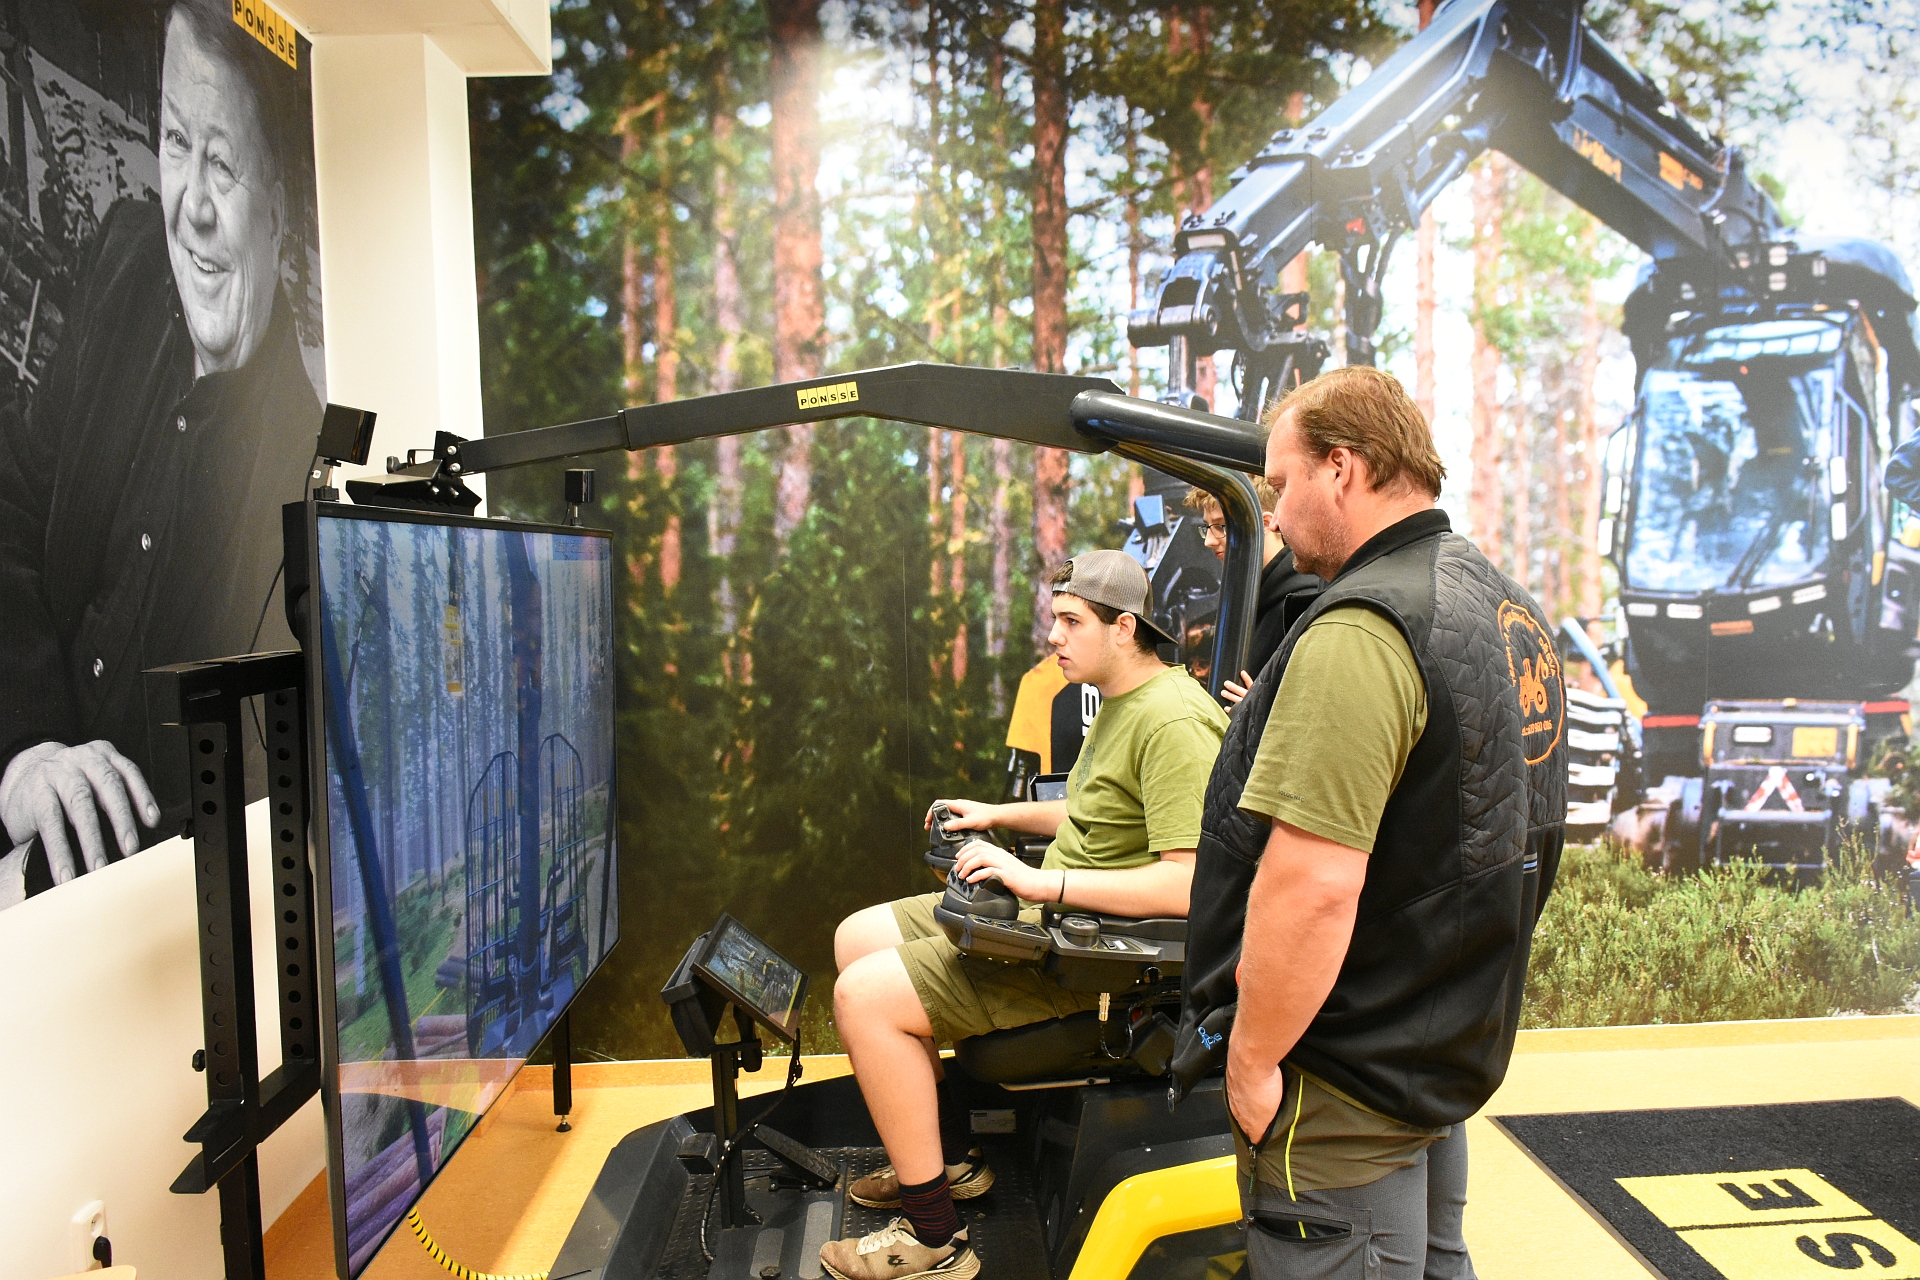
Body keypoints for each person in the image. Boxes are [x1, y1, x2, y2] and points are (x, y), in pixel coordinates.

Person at [1172, 366, 1566, 1279]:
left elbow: (1311, 885)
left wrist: (1251, 1061)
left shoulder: (1362, 629)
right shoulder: (1504, 604)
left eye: (1281, 485)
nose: (1273, 515)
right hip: (1432, 1050)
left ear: (1341, 469)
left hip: (1341, 1084)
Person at [820, 550, 1229, 1280]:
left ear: (1124, 627)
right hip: (1061, 917)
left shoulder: (1174, 722)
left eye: (1071, 621)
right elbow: (1095, 811)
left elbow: (1189, 886)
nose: (1054, 637)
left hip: (1094, 958)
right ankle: (949, 1162)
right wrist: (997, 813)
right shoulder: (1126, 695)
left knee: (862, 999)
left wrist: (1039, 882)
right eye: (1055, 619)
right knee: (856, 938)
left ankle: (936, 1241)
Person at [0, 0, 320, 899]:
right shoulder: (125, 261)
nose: (193, 208)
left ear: (280, 211)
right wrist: (26, 752)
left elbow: (250, 804)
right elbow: (13, 505)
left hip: (125, 906)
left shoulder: (302, 467)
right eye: (178, 143)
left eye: (224, 164)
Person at [1185, 481, 1322, 705]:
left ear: (1264, 524)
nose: (1209, 541)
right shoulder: (1247, 599)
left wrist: (1258, 709)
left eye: (1221, 527)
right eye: (1207, 527)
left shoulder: (1300, 605)